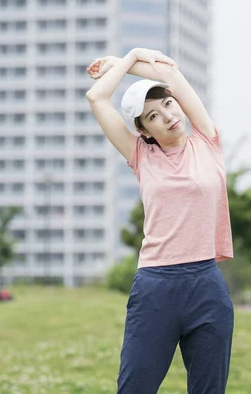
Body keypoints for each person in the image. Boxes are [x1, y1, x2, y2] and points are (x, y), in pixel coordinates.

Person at [86, 48, 234, 394]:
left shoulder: (208, 141)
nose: (167, 115)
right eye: (152, 116)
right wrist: (129, 58)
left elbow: (171, 75)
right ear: (144, 130)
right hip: (156, 287)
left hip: (207, 286)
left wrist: (118, 64)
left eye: (167, 104)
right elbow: (97, 96)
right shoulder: (140, 154)